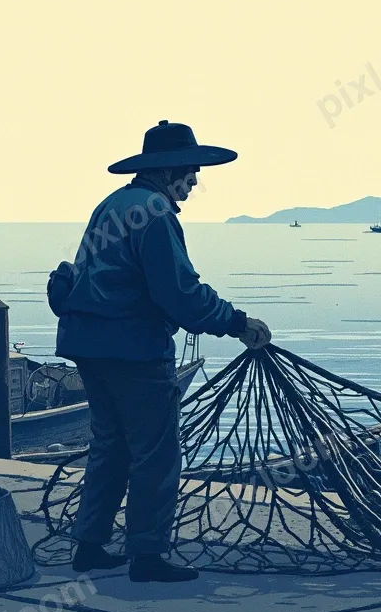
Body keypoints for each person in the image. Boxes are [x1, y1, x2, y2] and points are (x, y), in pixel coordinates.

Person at [47, 120, 272, 583]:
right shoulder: (156, 214)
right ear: (168, 170)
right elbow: (179, 294)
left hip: (88, 348)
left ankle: (89, 547)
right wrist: (236, 322)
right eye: (190, 170)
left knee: (110, 446)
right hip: (134, 353)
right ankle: (147, 556)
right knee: (156, 454)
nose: (195, 179)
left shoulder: (110, 205)